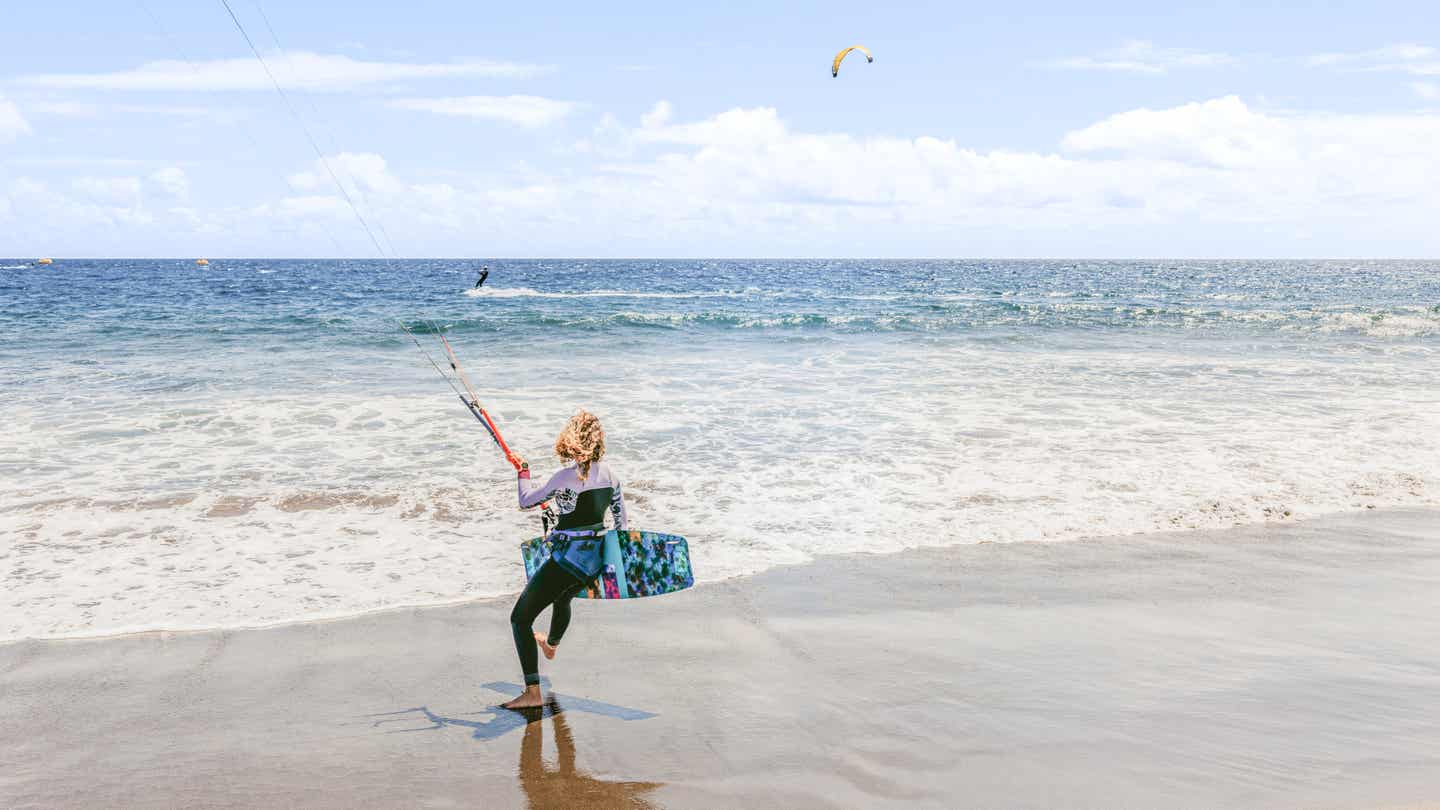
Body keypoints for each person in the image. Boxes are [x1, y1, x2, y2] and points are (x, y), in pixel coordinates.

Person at [502, 410, 627, 710]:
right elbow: (621, 524)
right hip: (593, 563)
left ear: (571, 440)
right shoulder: (610, 475)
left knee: (520, 618)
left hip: (566, 562)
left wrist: (523, 471)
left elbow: (526, 501)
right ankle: (550, 645)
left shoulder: (564, 478)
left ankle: (532, 693)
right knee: (563, 599)